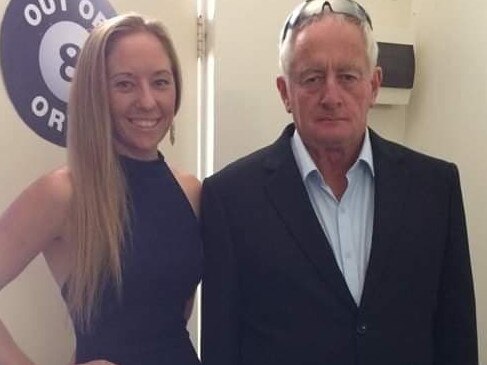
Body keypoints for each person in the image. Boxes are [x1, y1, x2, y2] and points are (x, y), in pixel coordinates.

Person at [201, 0, 478, 364]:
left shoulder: (434, 189)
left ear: (374, 85)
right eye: (312, 78)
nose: (331, 96)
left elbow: (456, 338)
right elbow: (221, 349)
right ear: (285, 92)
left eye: (347, 76)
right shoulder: (230, 199)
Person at [0, 13, 202, 365]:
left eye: (160, 82)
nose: (147, 101)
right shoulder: (63, 194)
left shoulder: (191, 191)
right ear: (96, 93)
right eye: (125, 84)